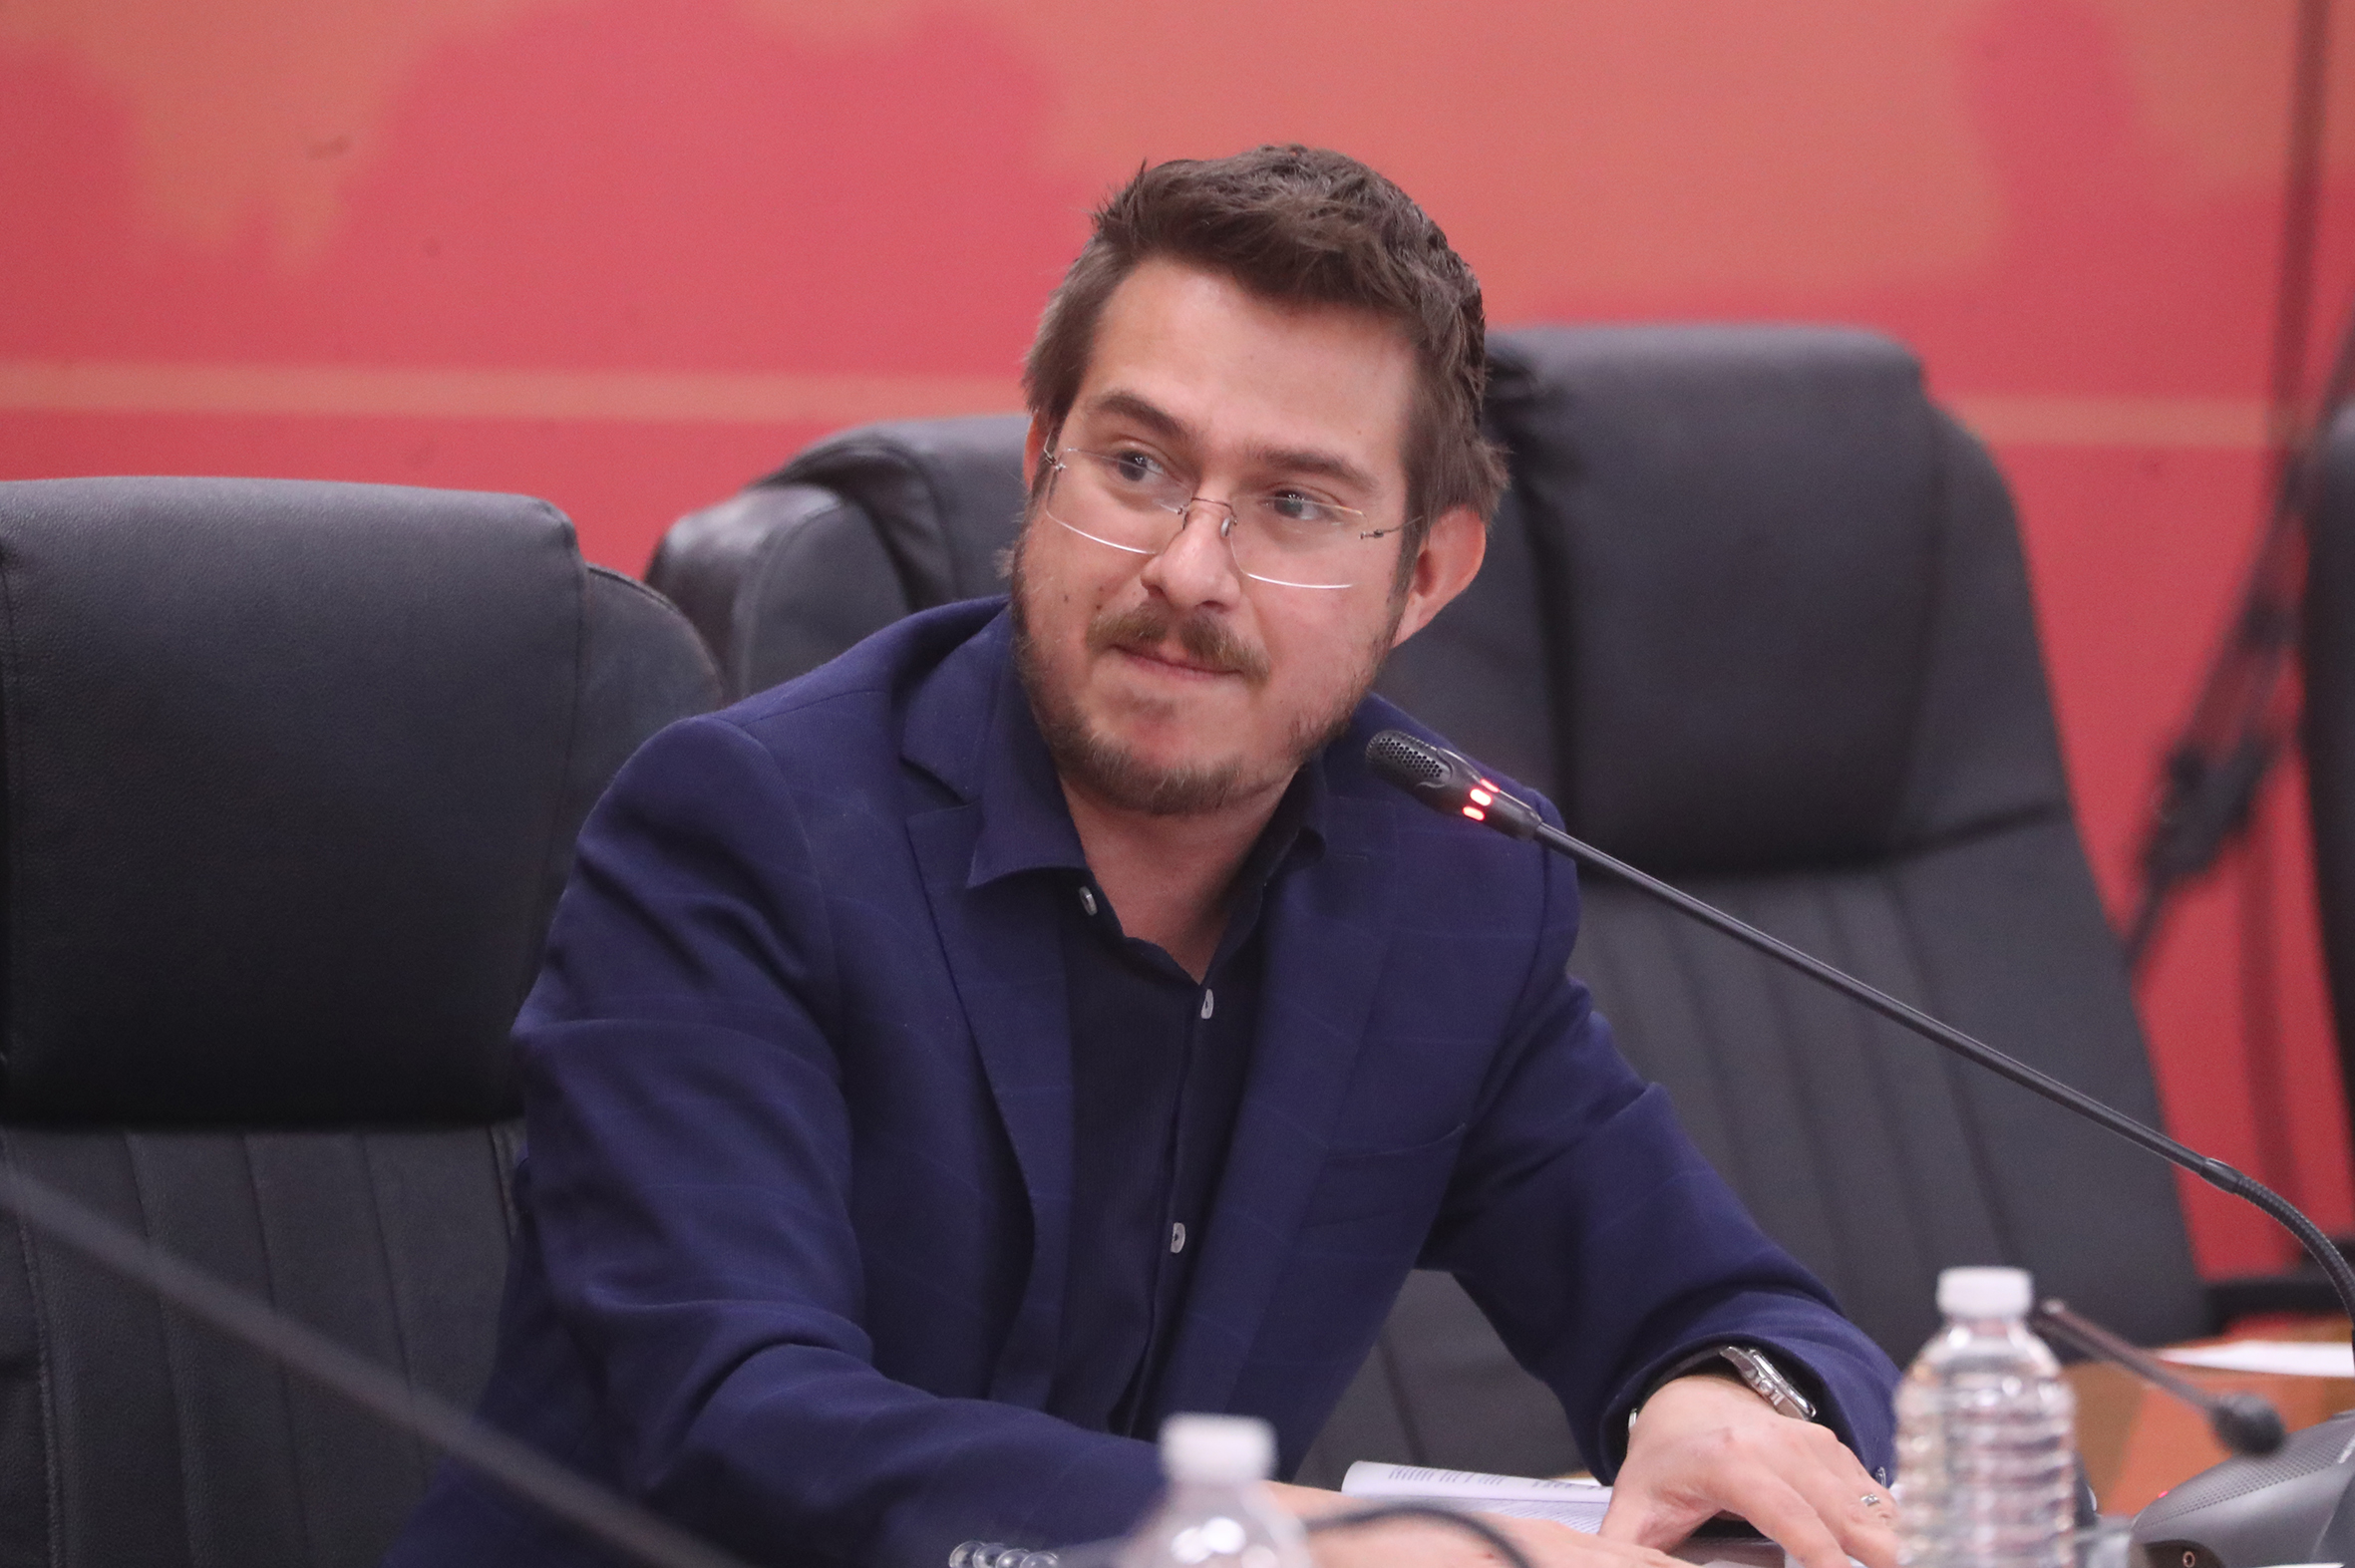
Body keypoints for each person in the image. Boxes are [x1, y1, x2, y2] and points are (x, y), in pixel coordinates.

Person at [388, 146, 1900, 1568]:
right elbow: (741, 1422)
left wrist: (1716, 1398)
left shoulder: (1448, 884)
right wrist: (1327, 1544)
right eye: (1135, 466)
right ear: (1040, 464)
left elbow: (1725, 1301)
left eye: (1294, 506)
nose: (1188, 570)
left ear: (1426, 573)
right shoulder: (742, 833)